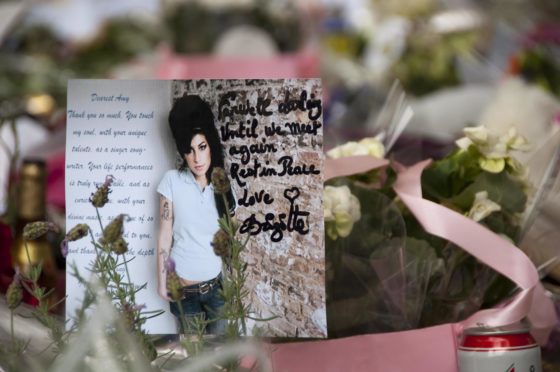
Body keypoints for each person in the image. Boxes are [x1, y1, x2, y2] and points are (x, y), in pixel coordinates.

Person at [156, 94, 235, 335]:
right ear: (183, 152)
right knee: (194, 358)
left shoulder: (222, 186)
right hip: (183, 293)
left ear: (210, 145)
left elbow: (228, 239)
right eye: (189, 151)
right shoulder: (172, 180)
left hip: (217, 290)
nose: (197, 158)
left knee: (221, 353)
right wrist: (162, 282)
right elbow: (165, 234)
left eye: (202, 147)